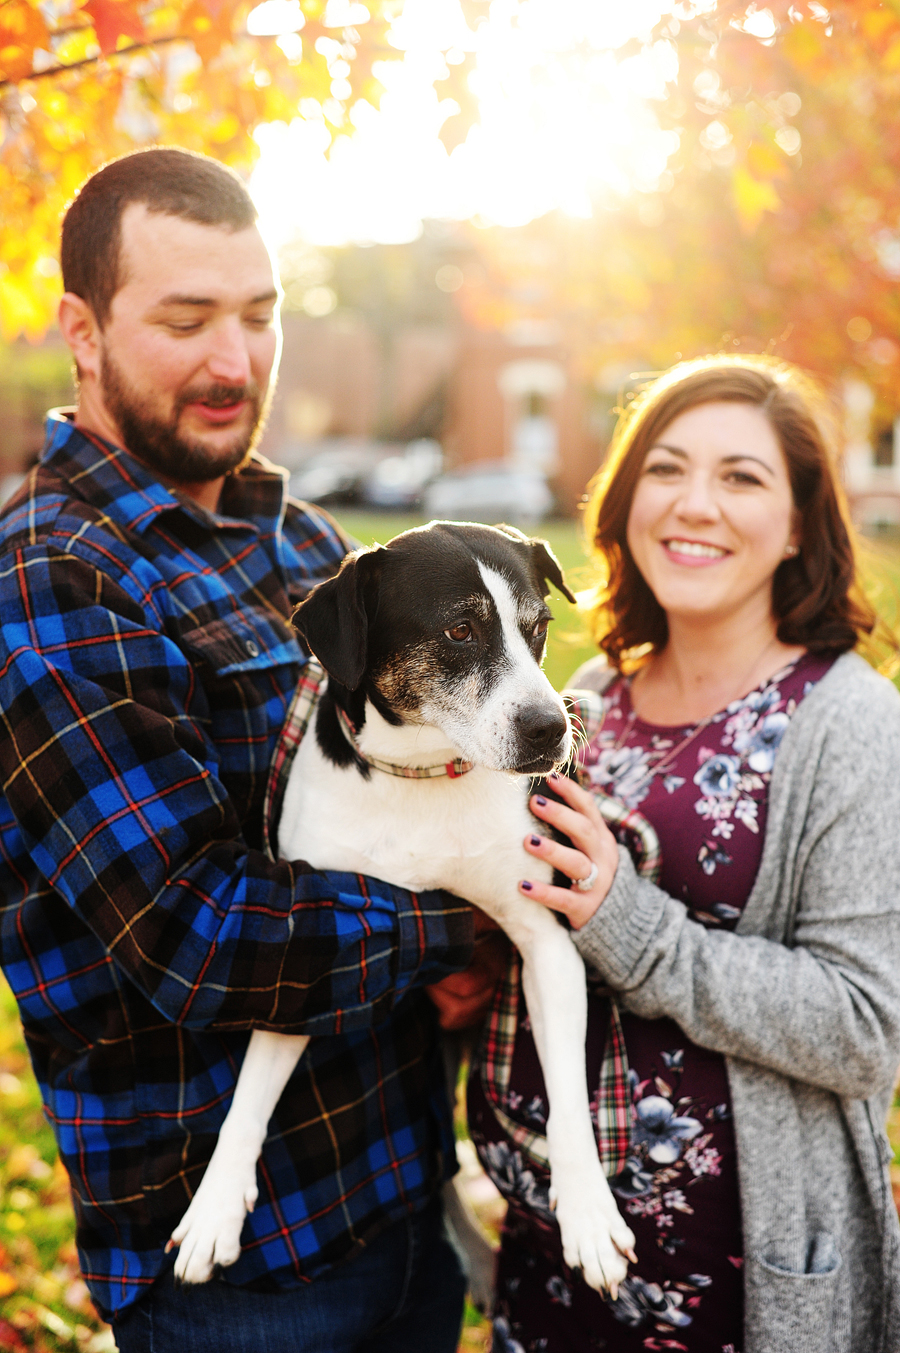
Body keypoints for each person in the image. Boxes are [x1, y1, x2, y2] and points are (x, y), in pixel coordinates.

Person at [0, 147, 476, 1353]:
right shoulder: (52, 580)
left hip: (409, 1196)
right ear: (83, 329)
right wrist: (467, 916)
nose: (235, 362)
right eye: (186, 319)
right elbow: (199, 935)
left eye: (260, 317)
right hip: (244, 1275)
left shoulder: (304, 540)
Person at [457, 355, 900, 1353]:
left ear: (798, 525)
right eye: (666, 468)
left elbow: (867, 1027)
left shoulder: (851, 725)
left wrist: (631, 922)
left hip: (729, 1294)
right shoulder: (587, 701)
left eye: (742, 477)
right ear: (621, 502)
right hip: (548, 1270)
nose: (695, 503)